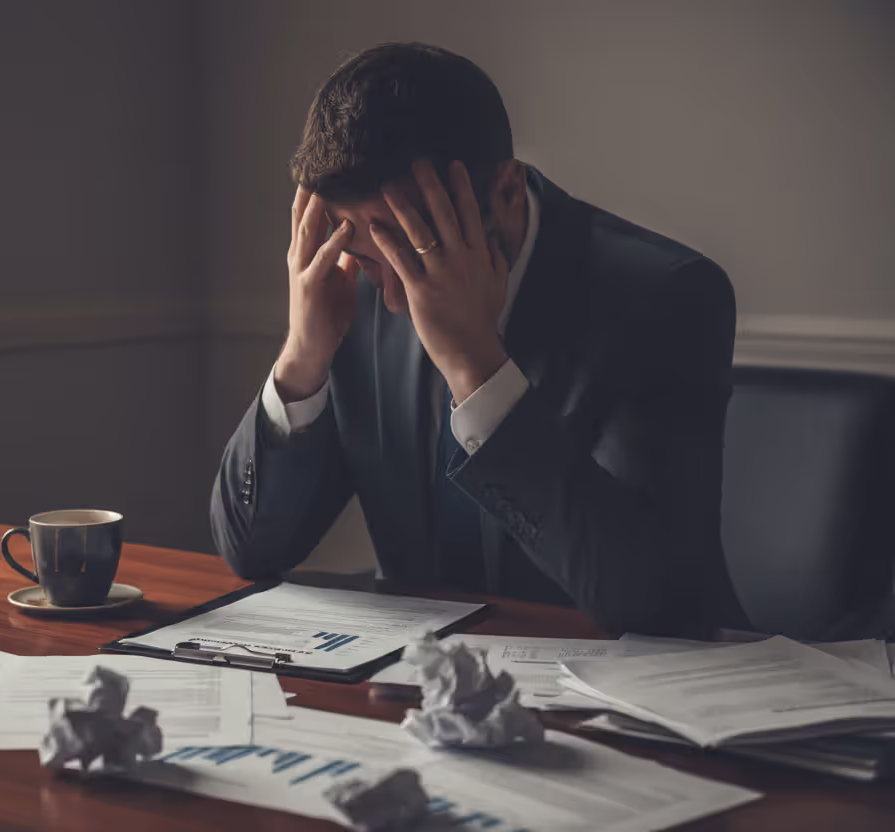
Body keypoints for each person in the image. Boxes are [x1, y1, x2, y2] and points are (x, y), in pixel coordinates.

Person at [211, 42, 747, 636]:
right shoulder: (346, 290)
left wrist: (477, 369)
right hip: (419, 675)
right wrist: (302, 358)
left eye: (416, 253)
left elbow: (648, 601)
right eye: (368, 257)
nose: (395, 298)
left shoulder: (666, 297)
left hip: (627, 674)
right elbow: (251, 551)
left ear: (508, 192)